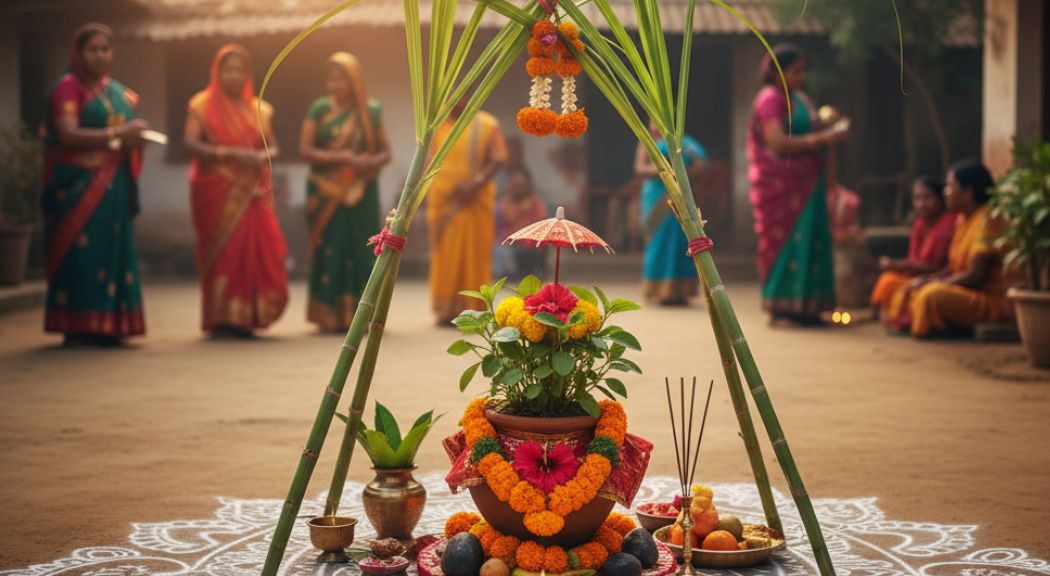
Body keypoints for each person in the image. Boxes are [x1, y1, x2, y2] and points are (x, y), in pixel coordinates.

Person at [42, 23, 150, 346]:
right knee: (81, 252)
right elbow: (67, 134)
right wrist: (119, 134)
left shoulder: (118, 92)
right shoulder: (67, 88)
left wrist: (135, 139)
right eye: (94, 49)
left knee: (113, 249)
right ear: (78, 52)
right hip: (77, 185)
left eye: (106, 49)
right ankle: (78, 325)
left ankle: (112, 325)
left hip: (114, 184)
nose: (101, 55)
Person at [184, 44, 289, 337]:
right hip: (216, 190)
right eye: (227, 69)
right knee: (223, 253)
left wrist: (261, 156)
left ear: (247, 74)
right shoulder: (201, 106)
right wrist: (231, 154)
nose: (233, 75)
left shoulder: (260, 109)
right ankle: (221, 318)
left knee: (258, 251)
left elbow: (274, 146)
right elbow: (191, 144)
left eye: (239, 70)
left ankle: (249, 315)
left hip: (253, 191)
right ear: (217, 72)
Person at [747, 44, 849, 325]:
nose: (801, 77)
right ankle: (782, 305)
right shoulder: (769, 99)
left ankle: (808, 306)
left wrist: (833, 130)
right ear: (777, 73)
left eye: (803, 71)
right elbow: (776, 142)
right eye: (795, 71)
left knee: (813, 237)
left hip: (809, 182)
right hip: (779, 185)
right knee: (783, 241)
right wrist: (823, 140)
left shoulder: (801, 98)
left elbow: (814, 128)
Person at [299, 52, 391, 332]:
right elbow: (305, 150)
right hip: (326, 191)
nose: (335, 85)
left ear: (354, 82)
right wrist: (343, 159)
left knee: (362, 250)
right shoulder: (319, 109)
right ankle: (327, 315)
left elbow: (385, 152)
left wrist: (366, 163)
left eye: (341, 79)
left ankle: (360, 317)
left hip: (362, 190)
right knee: (331, 248)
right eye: (331, 79)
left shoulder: (370, 111)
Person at [904, 161, 1014, 337]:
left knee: (931, 295)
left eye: (950, 186)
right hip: (967, 292)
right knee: (918, 289)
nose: (945, 192)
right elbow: (953, 267)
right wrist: (929, 278)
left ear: (968, 192)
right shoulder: (962, 220)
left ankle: (952, 328)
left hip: (992, 300)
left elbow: (977, 275)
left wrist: (937, 283)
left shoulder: (987, 218)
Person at [426, 97, 508, 325]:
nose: (453, 102)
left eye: (458, 96)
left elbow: (499, 158)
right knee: (445, 253)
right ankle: (445, 308)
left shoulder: (486, 125)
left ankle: (473, 309)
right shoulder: (437, 126)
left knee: (473, 253)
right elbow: (429, 160)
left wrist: (476, 183)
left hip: (474, 199)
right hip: (443, 201)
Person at [635, 121, 707, 305]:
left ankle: (680, 291)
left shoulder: (682, 142)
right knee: (658, 241)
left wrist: (683, 173)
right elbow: (640, 168)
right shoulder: (646, 140)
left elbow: (699, 165)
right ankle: (659, 290)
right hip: (656, 196)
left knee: (680, 240)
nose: (654, 125)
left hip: (679, 195)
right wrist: (667, 170)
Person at [871, 177, 955, 329]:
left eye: (927, 198)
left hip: (940, 277)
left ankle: (910, 320)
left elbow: (942, 266)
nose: (921, 204)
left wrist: (898, 264)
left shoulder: (949, 223)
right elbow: (913, 260)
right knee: (888, 280)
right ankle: (892, 318)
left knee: (913, 289)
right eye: (917, 198)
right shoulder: (919, 224)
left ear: (940, 199)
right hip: (917, 275)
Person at [493, 167, 548, 280]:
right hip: (510, 245)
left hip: (532, 245)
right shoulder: (505, 202)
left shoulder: (536, 203)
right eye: (515, 185)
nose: (518, 189)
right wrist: (521, 210)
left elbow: (541, 223)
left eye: (521, 185)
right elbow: (509, 218)